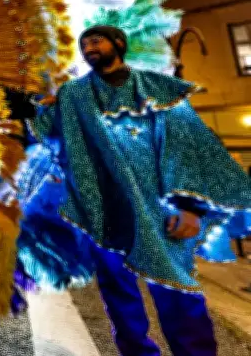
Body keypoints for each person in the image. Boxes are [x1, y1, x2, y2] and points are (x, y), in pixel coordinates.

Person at [31, 25, 251, 356]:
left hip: (160, 210)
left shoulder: (157, 88)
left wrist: (190, 206)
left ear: (118, 44)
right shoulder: (73, 95)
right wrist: (31, 106)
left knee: (177, 291)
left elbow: (186, 146)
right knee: (118, 296)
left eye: (97, 40)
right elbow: (48, 136)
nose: (89, 46)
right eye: (84, 43)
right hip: (103, 210)